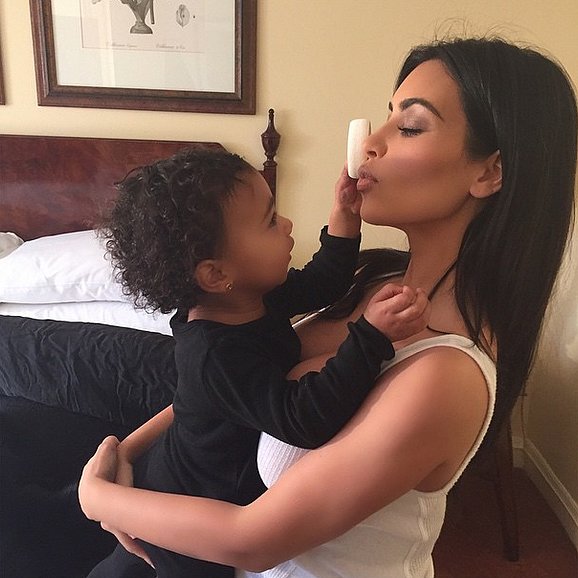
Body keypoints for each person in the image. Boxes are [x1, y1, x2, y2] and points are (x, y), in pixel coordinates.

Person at [79, 35, 577, 578]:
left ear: (488, 172)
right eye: (387, 117)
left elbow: (253, 541)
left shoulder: (444, 375)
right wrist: (126, 452)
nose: (371, 143)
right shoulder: (376, 278)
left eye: (410, 126)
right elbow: (228, 385)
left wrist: (98, 498)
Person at [85, 148, 430, 577]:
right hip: (188, 506)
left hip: (187, 472)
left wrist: (344, 215)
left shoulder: (252, 297)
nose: (287, 225)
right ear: (216, 274)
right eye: (270, 221)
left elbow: (323, 283)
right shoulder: (215, 355)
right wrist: (370, 338)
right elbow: (302, 417)